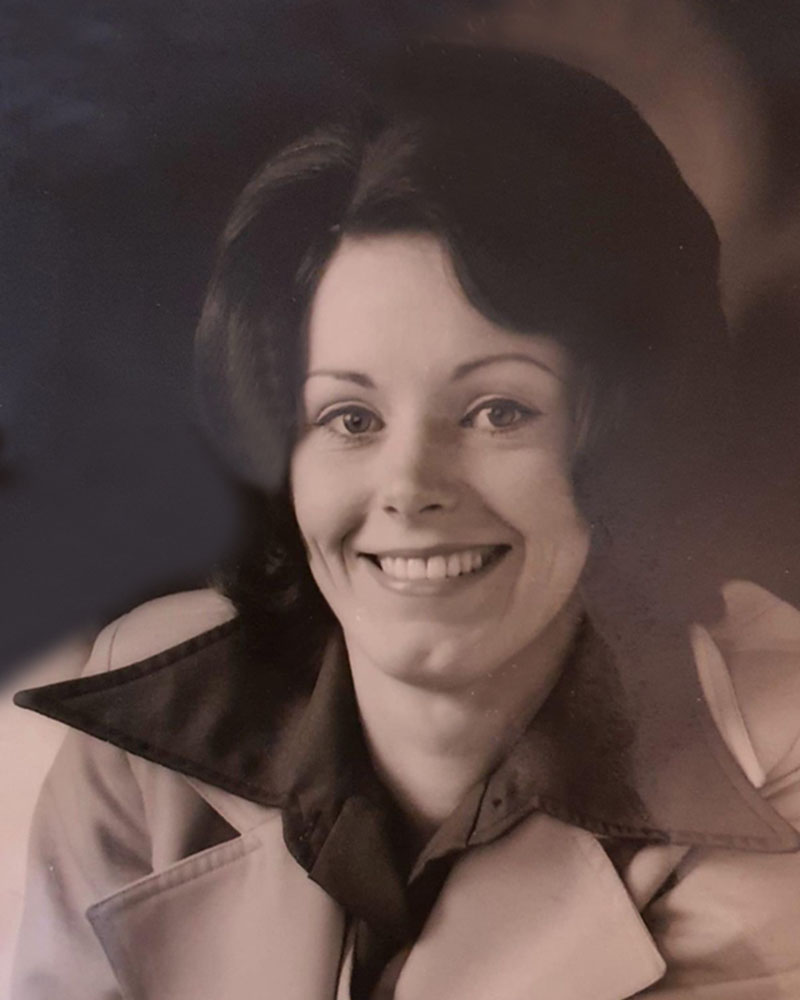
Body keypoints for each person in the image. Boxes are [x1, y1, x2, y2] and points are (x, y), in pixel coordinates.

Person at [11, 44, 800, 1000]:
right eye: (350, 419)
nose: (410, 487)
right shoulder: (145, 723)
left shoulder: (780, 746)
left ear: (623, 437)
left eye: (498, 411)